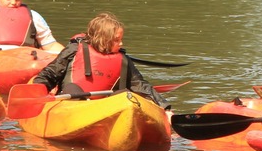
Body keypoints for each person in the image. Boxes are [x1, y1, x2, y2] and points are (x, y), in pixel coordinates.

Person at [29, 12, 171, 110]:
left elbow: (142, 86)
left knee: (125, 95)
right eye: (116, 40)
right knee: (73, 89)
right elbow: (49, 74)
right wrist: (36, 93)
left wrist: (165, 108)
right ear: (104, 39)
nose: (121, 44)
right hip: (72, 105)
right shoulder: (73, 50)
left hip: (103, 109)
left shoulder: (123, 60)